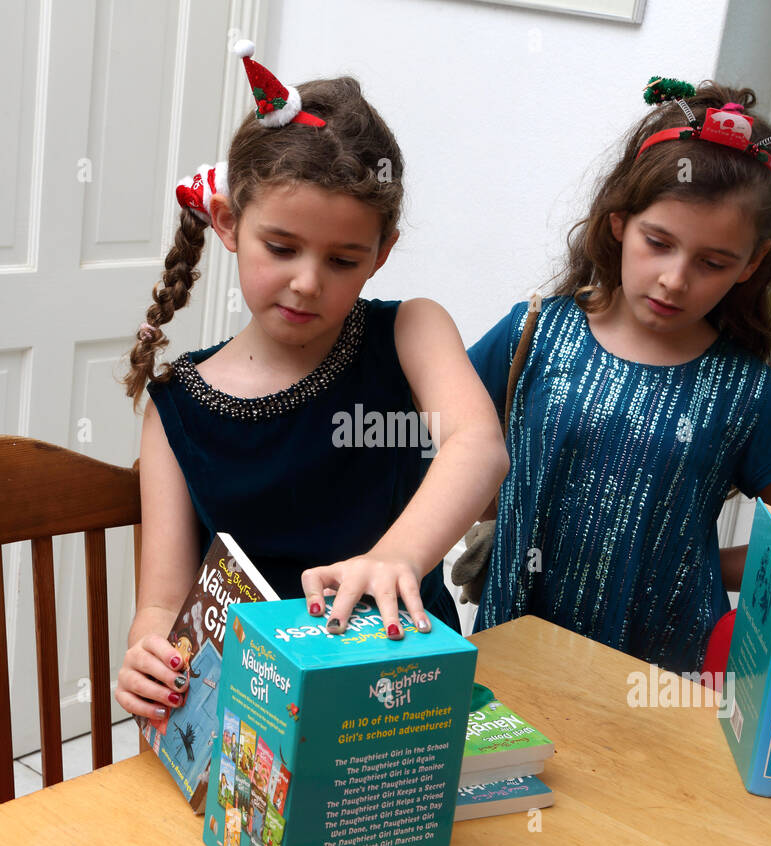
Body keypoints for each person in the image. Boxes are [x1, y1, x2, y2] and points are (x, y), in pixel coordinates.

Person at [116, 41, 507, 724]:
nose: (306, 281)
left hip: (402, 690)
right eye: (283, 247)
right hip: (252, 717)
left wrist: (392, 561)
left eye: (342, 259)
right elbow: (161, 603)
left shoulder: (412, 332)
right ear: (229, 223)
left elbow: (478, 447)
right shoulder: (176, 405)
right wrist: (149, 651)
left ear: (380, 256)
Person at [467, 78, 771, 674]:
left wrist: (699, 564)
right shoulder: (533, 333)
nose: (674, 278)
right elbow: (422, 435)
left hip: (663, 686)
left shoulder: (745, 392)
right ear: (619, 222)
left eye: (712, 262)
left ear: (752, 264)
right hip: (513, 659)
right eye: (658, 242)